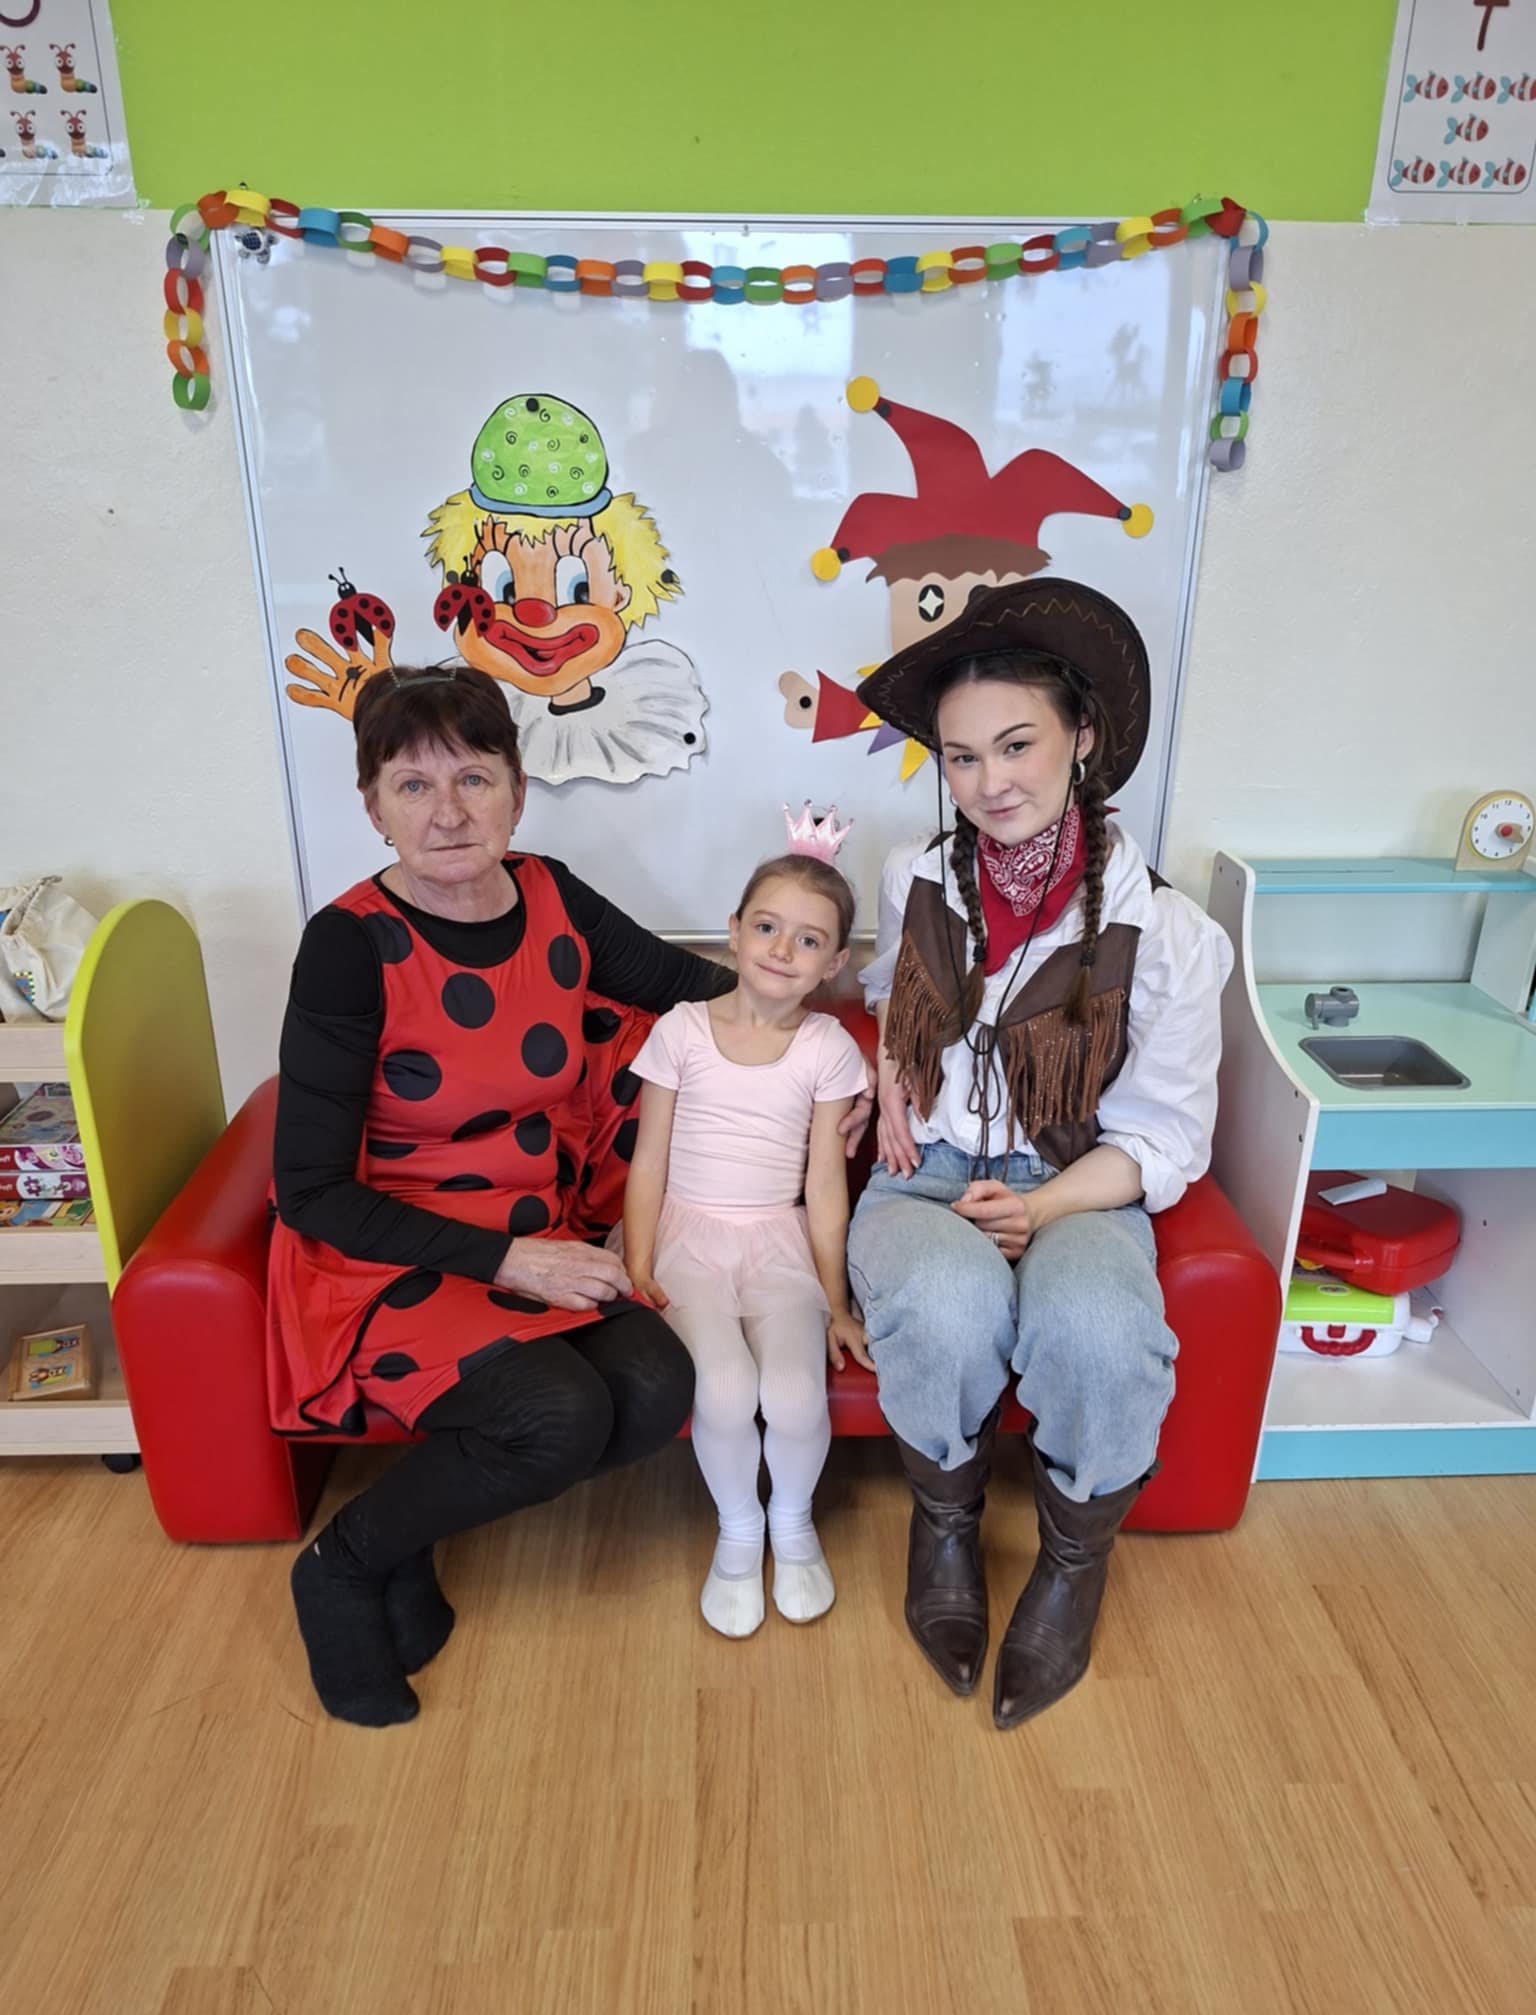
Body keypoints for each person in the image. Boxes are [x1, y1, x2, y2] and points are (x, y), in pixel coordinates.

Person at [268, 667, 869, 1726]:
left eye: (474, 778)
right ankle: (346, 1564)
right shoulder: (346, 945)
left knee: (657, 1382)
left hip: (541, 1231)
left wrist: (843, 1070)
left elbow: (713, 994)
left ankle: (407, 1537)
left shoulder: (549, 893)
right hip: (393, 1254)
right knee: (558, 1414)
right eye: (413, 786)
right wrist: (510, 1259)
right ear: (372, 807)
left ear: (517, 790)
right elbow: (309, 1190)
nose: (448, 811)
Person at [846, 579, 1233, 1728]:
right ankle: (945, 1528)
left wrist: (1045, 1206)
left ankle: (1072, 1564)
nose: (989, 782)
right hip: (924, 1173)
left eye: (1017, 744)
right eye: (962, 757)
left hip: (1082, 1182)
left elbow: (1165, 1136)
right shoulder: (914, 875)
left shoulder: (1169, 934)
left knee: (1102, 1330)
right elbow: (893, 990)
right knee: (947, 1305)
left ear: (1084, 737)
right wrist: (890, 1066)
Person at [620, 821, 871, 1639]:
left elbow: (824, 1184)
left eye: (809, 940)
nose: (782, 950)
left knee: (793, 1393)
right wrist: (638, 1265)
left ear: (834, 963)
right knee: (723, 1387)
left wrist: (836, 1303)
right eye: (767, 926)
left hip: (777, 1245)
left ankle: (792, 1522)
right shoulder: (681, 1030)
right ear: (734, 930)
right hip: (688, 1242)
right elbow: (649, 1162)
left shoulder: (828, 1047)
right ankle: (739, 1528)